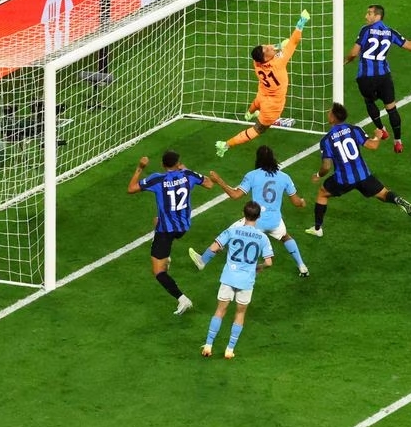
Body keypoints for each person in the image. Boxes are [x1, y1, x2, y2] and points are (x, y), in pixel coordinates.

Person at [305, 102, 411, 237]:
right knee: (383, 194)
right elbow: (372, 146)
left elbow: (326, 166)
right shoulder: (354, 129)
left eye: (329, 112)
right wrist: (378, 136)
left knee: (323, 193)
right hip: (364, 176)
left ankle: (317, 229)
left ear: (333, 118)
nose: (327, 114)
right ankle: (397, 199)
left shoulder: (326, 140)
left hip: (343, 180)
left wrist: (318, 174)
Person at [201, 144, 310, 278]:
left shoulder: (252, 175)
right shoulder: (284, 177)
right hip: (275, 221)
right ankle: (302, 266)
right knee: (285, 237)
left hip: (255, 221)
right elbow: (297, 202)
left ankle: (203, 260)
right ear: (273, 159)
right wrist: (302, 202)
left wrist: (219, 181)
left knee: (228, 234)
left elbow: (235, 195)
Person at [127, 150, 214, 314]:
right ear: (178, 163)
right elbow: (209, 184)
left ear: (162, 165)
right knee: (157, 220)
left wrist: (140, 167)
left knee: (158, 271)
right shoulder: (187, 174)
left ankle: (183, 300)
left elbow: (131, 189)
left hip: (166, 231)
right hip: (183, 227)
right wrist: (184, 169)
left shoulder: (157, 179)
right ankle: (166, 256)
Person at [216, 10, 311, 157]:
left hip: (263, 94)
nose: (269, 47)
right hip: (272, 105)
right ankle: (227, 144)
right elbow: (294, 42)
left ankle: (249, 113)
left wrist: (280, 45)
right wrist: (300, 24)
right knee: (258, 129)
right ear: (266, 58)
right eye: (267, 49)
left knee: (256, 103)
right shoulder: (279, 63)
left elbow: (275, 48)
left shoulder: (257, 61)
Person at [344, 4, 411, 154]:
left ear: (378, 16)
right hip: (384, 76)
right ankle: (398, 142)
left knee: (369, 101)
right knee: (391, 108)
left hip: (366, 77)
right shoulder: (390, 32)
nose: (366, 16)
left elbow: (353, 53)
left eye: (369, 13)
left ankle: (382, 129)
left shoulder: (365, 30)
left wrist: (345, 61)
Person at [193, 201, 274, 359]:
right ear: (258, 217)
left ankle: (208, 345)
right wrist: (260, 267)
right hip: (247, 281)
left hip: (229, 277)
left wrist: (208, 258)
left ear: (243, 214)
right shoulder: (263, 238)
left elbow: (213, 248)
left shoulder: (232, 231)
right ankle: (229, 349)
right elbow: (269, 262)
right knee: (240, 313)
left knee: (220, 310)